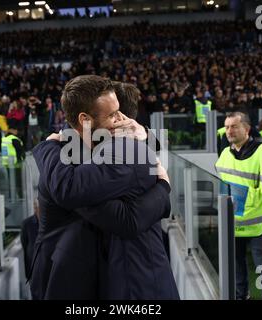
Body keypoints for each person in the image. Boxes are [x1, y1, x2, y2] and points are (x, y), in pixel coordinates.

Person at [30, 75, 177, 299]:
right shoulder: (67, 166)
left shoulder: (111, 154)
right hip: (65, 282)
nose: (120, 121)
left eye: (121, 113)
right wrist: (164, 188)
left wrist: (147, 136)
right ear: (85, 119)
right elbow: (127, 221)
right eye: (113, 115)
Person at [215, 112, 262, 300]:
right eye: (227, 127)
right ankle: (241, 295)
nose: (229, 131)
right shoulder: (225, 153)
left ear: (246, 129)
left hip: (257, 224)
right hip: (232, 223)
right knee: (237, 264)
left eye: (234, 126)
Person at [1, 122, 25, 199]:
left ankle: (12, 196)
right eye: (16, 130)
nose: (17, 131)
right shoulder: (14, 139)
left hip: (7, 163)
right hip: (16, 164)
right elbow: (20, 151)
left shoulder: (4, 138)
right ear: (13, 130)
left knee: (11, 182)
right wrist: (22, 159)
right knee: (18, 182)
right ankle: (20, 197)